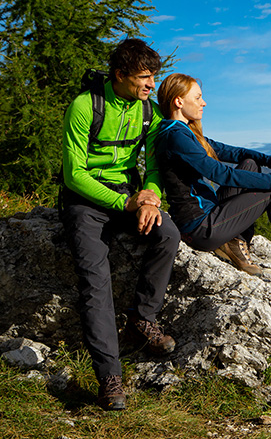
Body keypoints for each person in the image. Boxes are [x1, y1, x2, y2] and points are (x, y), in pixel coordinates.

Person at [60, 39, 180, 411]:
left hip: (131, 195)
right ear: (120, 75)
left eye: (153, 77)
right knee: (96, 283)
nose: (150, 85)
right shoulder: (85, 106)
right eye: (144, 78)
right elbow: (73, 173)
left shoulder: (147, 111)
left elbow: (157, 162)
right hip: (86, 202)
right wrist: (123, 202)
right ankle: (109, 378)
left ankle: (142, 319)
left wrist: (151, 195)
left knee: (169, 235)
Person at [154, 73, 271, 287]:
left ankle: (235, 242)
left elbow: (232, 152)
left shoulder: (186, 132)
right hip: (200, 228)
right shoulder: (176, 137)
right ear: (178, 101)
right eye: (197, 98)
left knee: (250, 163)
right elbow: (221, 174)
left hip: (209, 215)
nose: (203, 103)